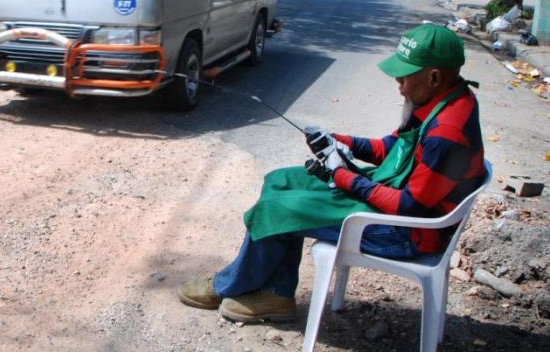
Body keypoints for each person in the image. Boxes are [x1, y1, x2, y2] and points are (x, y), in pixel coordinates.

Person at [178, 24, 485, 324]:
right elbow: (391, 148)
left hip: (405, 233)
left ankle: (230, 286)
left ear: (434, 76)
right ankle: (275, 293)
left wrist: (342, 176)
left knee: (275, 209)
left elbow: (409, 207)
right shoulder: (438, 99)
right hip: (392, 203)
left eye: (404, 74)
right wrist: (338, 141)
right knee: (279, 180)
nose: (397, 81)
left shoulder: (448, 130)